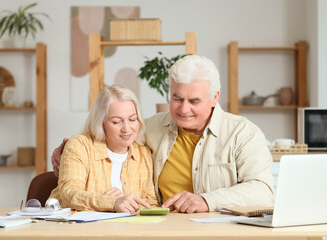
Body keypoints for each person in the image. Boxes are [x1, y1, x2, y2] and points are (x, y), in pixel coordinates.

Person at [52, 55, 274, 213]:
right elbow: (109, 135)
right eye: (177, 98)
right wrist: (67, 150)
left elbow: (263, 191)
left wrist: (206, 200)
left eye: (194, 101)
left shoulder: (243, 134)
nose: (183, 109)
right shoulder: (152, 128)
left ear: (215, 97)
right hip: (164, 230)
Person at [49, 85, 158, 213]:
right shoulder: (79, 145)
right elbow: (69, 193)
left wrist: (126, 203)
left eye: (132, 119)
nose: (127, 128)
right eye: (117, 122)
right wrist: (112, 203)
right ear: (101, 123)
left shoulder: (143, 153)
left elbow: (151, 204)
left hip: (126, 230)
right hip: (75, 228)